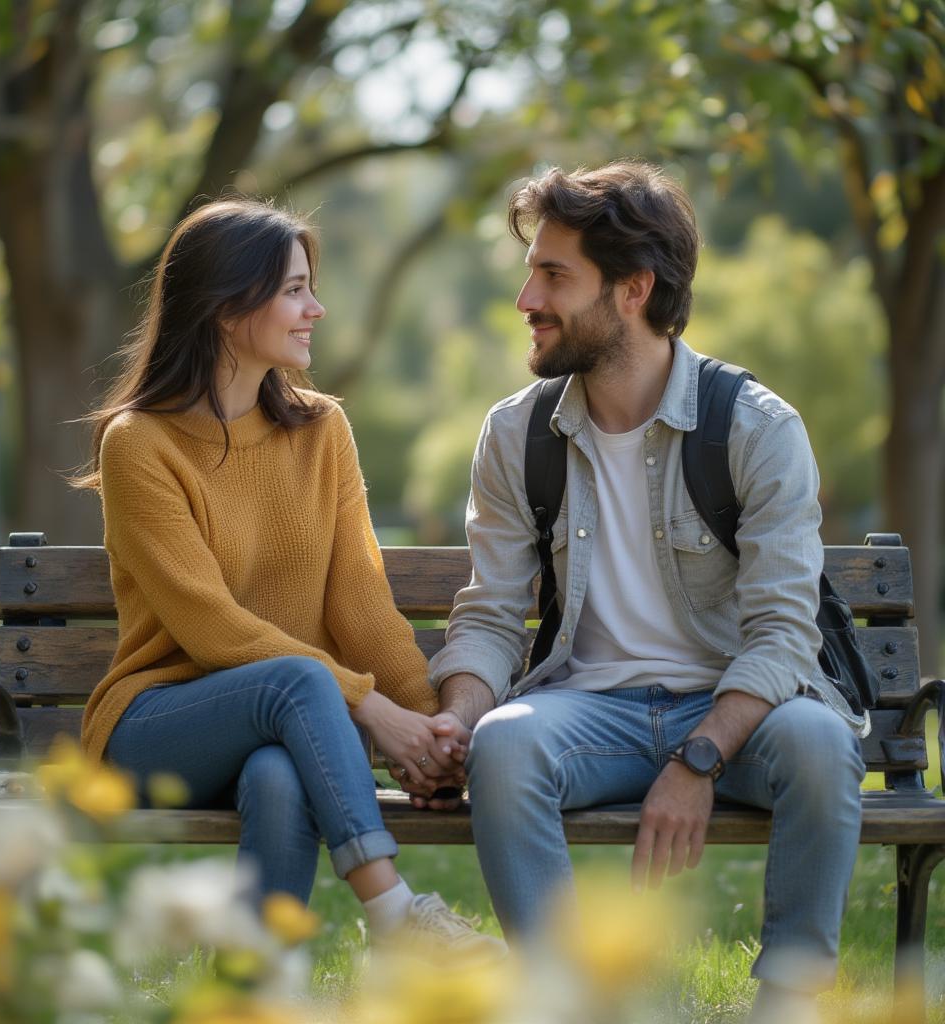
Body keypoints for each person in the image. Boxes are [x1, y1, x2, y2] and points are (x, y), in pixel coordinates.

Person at [413, 162, 866, 1018]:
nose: (525, 299)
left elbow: (780, 637)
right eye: (530, 271)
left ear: (633, 289)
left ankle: (791, 1005)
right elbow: (490, 615)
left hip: (741, 709)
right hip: (593, 712)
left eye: (554, 275)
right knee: (507, 743)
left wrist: (699, 760)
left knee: (817, 743)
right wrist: (459, 716)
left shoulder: (758, 429)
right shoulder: (517, 433)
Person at [73, 197, 502, 956]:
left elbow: (362, 603)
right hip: (155, 726)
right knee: (300, 680)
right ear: (228, 305)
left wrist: (433, 730)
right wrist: (375, 713)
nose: (317, 308)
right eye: (295, 290)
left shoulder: (321, 429)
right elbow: (211, 628)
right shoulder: (140, 444)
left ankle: (257, 990)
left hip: (287, 725)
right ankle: (399, 918)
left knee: (277, 775)